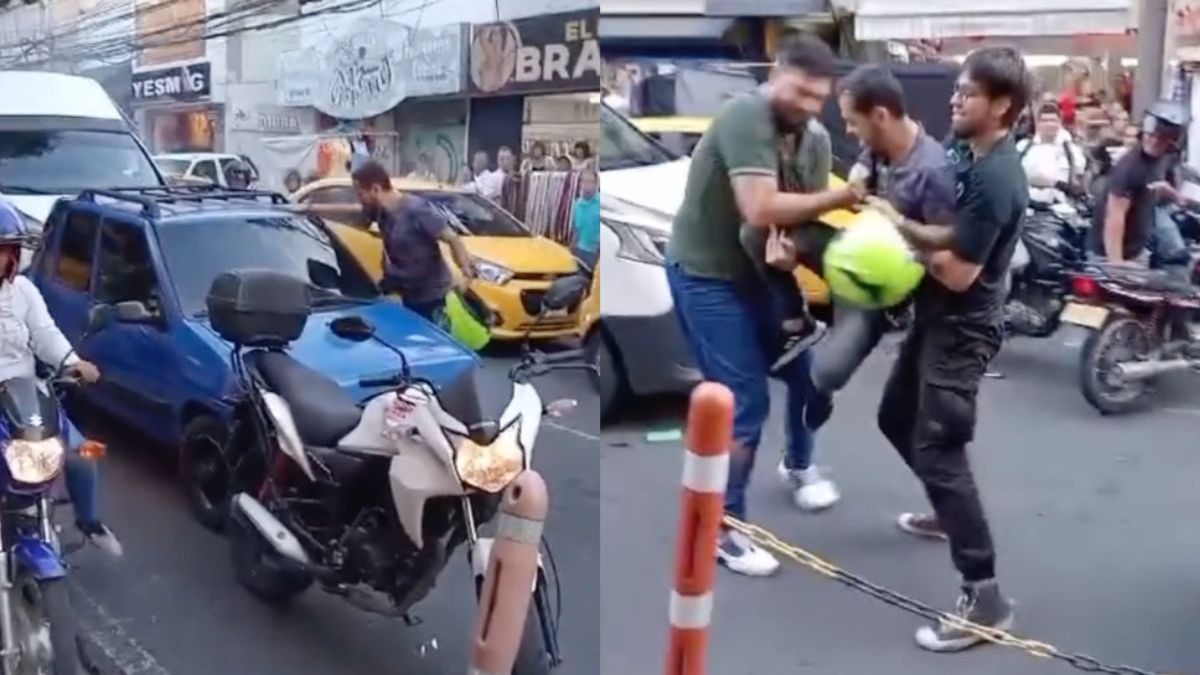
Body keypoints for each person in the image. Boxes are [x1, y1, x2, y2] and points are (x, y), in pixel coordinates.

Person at [665, 35, 856, 577]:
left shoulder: (815, 138)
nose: (810, 106)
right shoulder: (744, 115)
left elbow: (791, 220)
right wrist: (843, 199)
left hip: (762, 274)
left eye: (820, 98)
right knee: (741, 401)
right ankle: (722, 527)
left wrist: (793, 250)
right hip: (707, 275)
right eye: (801, 92)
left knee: (807, 375)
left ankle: (799, 463)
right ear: (776, 75)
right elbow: (760, 206)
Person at [871, 46, 1028, 651]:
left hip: (964, 328)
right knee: (893, 417)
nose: (956, 99)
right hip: (937, 316)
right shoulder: (964, 150)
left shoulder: (997, 178)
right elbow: (942, 221)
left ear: (1004, 105)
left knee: (938, 446)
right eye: (957, 89)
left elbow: (960, 271)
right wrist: (899, 216)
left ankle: (985, 595)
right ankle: (947, 507)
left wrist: (898, 246)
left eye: (970, 93)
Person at [804, 64, 958, 432]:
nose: (849, 131)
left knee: (824, 374)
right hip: (849, 251)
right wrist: (858, 179)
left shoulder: (932, 171)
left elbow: (946, 249)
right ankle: (794, 322)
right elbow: (862, 168)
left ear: (881, 116)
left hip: (878, 284)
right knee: (771, 234)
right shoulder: (879, 145)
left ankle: (823, 390)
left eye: (853, 122)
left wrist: (900, 231)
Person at [0, 199, 119, 556]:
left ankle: (89, 521)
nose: (2, 259)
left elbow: (46, 334)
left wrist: (73, 362)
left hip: (24, 396)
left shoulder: (23, 292)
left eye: (5, 251)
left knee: (82, 453)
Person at [299, 161, 475, 327]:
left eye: (361, 194)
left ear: (375, 189)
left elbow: (452, 238)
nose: (360, 199)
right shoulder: (381, 212)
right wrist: (310, 209)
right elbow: (352, 214)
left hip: (433, 298)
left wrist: (465, 270)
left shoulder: (415, 209)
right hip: (408, 295)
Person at [1090, 101, 1188, 265]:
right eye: (1151, 135)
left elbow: (1155, 182)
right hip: (1111, 256)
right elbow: (1115, 216)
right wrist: (1116, 263)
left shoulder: (1161, 158)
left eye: (1162, 138)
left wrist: (1176, 196)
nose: (1154, 141)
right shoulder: (1130, 167)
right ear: (1143, 132)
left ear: (1172, 141)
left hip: (1137, 250)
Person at [1016, 102, 1084, 203]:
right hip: (1028, 205)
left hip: (1062, 206)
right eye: (1045, 121)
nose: (1049, 124)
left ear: (1059, 123)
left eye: (1053, 120)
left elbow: (1079, 178)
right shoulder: (1023, 147)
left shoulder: (1072, 151)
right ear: (1038, 123)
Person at [572, 168, 600, 272]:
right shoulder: (577, 204)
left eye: (590, 182)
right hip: (580, 251)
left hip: (596, 253)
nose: (586, 185)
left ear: (596, 184)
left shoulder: (601, 204)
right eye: (584, 181)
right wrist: (573, 250)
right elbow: (576, 229)